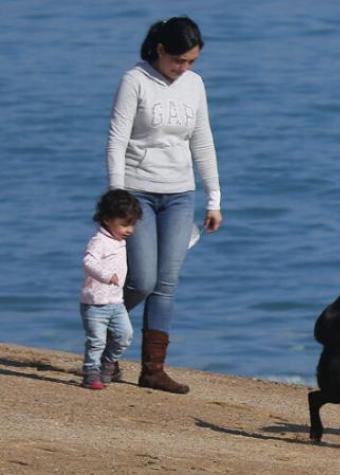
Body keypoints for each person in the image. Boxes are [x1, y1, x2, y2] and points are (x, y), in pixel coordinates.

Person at [106, 16, 222, 394]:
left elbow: (202, 140)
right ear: (160, 50)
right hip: (137, 193)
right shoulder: (134, 81)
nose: (184, 68)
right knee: (142, 280)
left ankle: (152, 370)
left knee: (166, 284)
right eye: (178, 61)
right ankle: (104, 335)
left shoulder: (194, 85)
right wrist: (117, 198)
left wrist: (214, 197)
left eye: (191, 61)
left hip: (179, 194)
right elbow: (117, 141)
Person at [80, 190, 142, 390]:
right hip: (95, 303)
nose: (129, 229)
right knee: (96, 341)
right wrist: (106, 275)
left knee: (125, 336)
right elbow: (88, 262)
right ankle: (90, 372)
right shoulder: (99, 241)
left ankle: (108, 363)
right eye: (124, 224)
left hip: (116, 303)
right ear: (107, 219)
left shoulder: (120, 241)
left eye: (132, 224)